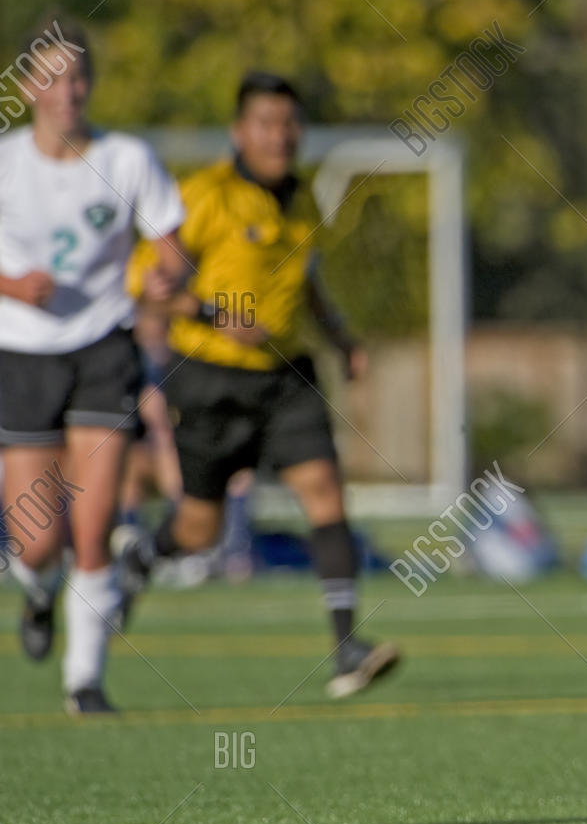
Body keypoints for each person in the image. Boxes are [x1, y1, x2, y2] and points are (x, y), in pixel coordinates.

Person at [116, 71, 400, 699]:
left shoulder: (303, 202)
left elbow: (310, 285)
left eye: (290, 123)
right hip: (209, 378)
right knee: (198, 530)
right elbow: (147, 282)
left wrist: (343, 338)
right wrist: (214, 315)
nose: (281, 135)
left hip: (287, 374)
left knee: (325, 491)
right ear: (239, 131)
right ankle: (139, 558)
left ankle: (348, 647)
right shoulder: (201, 197)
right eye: (267, 123)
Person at [0, 16, 188, 714]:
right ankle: (38, 593)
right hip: (21, 354)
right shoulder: (6, 162)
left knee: (94, 521)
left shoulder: (129, 159)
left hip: (105, 349)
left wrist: (168, 279)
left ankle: (85, 681)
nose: (67, 90)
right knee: (37, 538)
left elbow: (172, 249)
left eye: (78, 76)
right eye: (51, 76)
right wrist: (14, 287)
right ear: (25, 87)